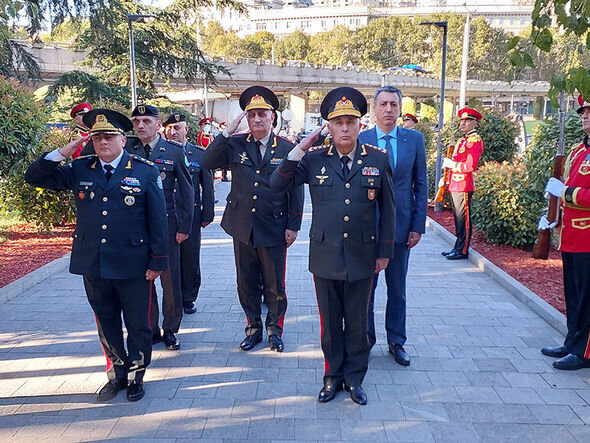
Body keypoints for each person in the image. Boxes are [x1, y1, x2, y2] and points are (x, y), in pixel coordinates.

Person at [25, 109, 168, 402]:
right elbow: (35, 177)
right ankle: (117, 372)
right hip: (94, 261)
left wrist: (157, 262)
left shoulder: (144, 170)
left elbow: (158, 220)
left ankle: (136, 374)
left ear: (123, 140)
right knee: (106, 320)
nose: (103, 142)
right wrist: (65, 150)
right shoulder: (80, 168)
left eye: (109, 136)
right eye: (98, 137)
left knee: (138, 322)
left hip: (133, 263)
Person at [271, 87, 395, 405]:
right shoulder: (314, 161)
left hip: (363, 256)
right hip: (325, 256)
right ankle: (332, 376)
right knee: (330, 325)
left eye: (350, 121)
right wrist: (301, 146)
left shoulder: (378, 160)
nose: (344, 128)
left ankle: (355, 380)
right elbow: (277, 183)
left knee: (357, 324)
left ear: (359, 125)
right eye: (337, 122)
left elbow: (389, 210)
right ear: (328, 126)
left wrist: (384, 253)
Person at [201, 86, 304, 353]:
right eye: (251, 115)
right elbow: (207, 162)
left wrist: (293, 225)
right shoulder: (235, 144)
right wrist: (227, 131)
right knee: (245, 282)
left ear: (273, 118)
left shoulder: (286, 148)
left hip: (274, 225)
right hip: (242, 225)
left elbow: (296, 189)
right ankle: (253, 328)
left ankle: (274, 330)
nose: (256, 119)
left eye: (262, 114)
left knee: (275, 284)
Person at [359, 86, 428, 366]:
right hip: (366, 229)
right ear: (374, 109)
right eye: (383, 104)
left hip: (400, 228)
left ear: (400, 109)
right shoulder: (360, 139)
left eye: (393, 105)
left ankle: (396, 341)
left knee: (396, 289)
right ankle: (364, 340)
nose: (388, 109)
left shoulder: (414, 140)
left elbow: (421, 184)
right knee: (365, 290)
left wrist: (418, 225)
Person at [125, 104, 194, 350]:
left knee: (170, 281)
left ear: (158, 124)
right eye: (136, 121)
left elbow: (187, 192)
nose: (141, 126)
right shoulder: (126, 148)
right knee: (143, 281)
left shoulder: (174, 151)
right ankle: (151, 328)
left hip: (167, 225)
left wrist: (184, 226)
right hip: (135, 229)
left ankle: (171, 329)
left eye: (146, 121)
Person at [538, 94, 590, 370]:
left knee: (587, 298)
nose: (585, 116)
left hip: (588, 238)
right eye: (583, 112)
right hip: (571, 235)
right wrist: (552, 219)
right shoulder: (578, 150)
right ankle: (572, 342)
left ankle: (585, 352)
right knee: (573, 294)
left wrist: (567, 193)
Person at [163, 112, 215, 315]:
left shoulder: (199, 154)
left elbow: (208, 187)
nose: (173, 131)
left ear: (186, 130)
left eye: (177, 128)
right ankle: (173, 297)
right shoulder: (160, 152)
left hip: (191, 215)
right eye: (169, 128)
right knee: (170, 261)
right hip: (167, 214)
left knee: (190, 258)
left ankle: (189, 297)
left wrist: (207, 215)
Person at [440, 107, 484, 260]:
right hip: (455, 184)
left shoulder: (474, 141)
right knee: (457, 218)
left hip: (464, 185)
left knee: (463, 219)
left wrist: (453, 166)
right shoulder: (462, 140)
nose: (463, 123)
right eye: (462, 120)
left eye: (467, 120)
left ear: (474, 124)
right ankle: (457, 247)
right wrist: (446, 175)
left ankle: (462, 250)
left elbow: (471, 166)